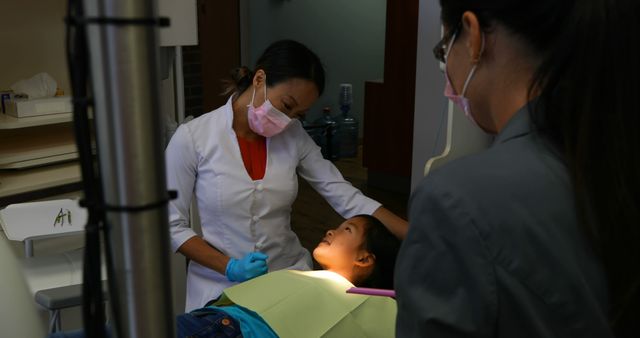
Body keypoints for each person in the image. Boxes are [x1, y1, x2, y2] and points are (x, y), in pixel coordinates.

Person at [395, 1, 639, 337]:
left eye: (443, 50)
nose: (447, 78)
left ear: (473, 35)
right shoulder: (611, 158)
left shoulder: (454, 203)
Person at [165, 39, 408, 311]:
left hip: (287, 276)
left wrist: (418, 235)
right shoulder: (193, 138)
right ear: (259, 79)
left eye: (298, 114)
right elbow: (171, 225)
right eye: (286, 105)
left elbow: (345, 195)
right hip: (220, 286)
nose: (287, 119)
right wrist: (229, 267)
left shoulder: (293, 136)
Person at [176, 214, 401, 338]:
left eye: (347, 230)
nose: (331, 231)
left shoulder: (374, 306)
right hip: (208, 318)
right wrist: (232, 268)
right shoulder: (304, 275)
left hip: (227, 330)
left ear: (363, 259)